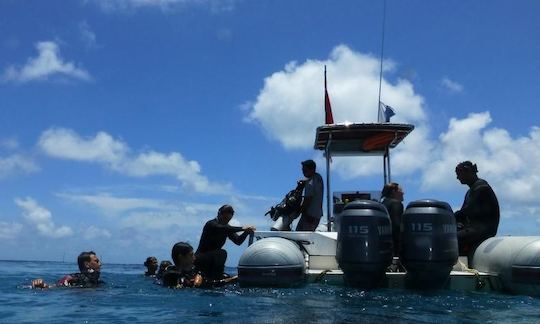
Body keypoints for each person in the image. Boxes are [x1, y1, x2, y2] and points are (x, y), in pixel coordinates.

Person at [454, 161, 500, 263]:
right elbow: (463, 214)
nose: (457, 178)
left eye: (459, 174)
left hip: (482, 229)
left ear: (468, 171)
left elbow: (466, 211)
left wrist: (448, 218)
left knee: (450, 239)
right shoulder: (472, 190)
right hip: (474, 227)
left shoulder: (481, 187)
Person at [195, 205, 255, 280]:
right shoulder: (211, 224)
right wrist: (242, 228)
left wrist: (246, 232)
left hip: (213, 261)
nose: (226, 221)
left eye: (228, 220)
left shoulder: (227, 228)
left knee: (220, 253)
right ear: (219, 214)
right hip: (201, 257)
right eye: (225, 218)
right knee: (222, 253)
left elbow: (238, 241)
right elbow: (221, 228)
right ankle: (217, 276)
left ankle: (218, 276)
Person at [163, 242, 237, 288]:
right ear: (181, 257)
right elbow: (207, 285)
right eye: (191, 255)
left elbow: (209, 283)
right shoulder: (170, 274)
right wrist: (229, 281)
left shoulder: (197, 272)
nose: (194, 257)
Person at [31, 251, 103, 289]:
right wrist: (43, 285)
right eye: (96, 261)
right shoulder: (76, 277)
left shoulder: (98, 282)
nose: (100, 264)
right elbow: (56, 286)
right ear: (87, 264)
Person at [296, 159, 324, 231]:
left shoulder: (310, 183)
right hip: (317, 214)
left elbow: (308, 200)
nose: (303, 172)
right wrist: (304, 182)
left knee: (300, 235)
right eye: (302, 170)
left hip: (309, 216)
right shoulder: (318, 177)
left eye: (305, 170)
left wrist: (299, 210)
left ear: (312, 169)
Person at [381, 182, 404, 257]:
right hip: (393, 248)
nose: (403, 193)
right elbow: (397, 226)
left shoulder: (381, 204)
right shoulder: (396, 204)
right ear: (394, 192)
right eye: (400, 190)